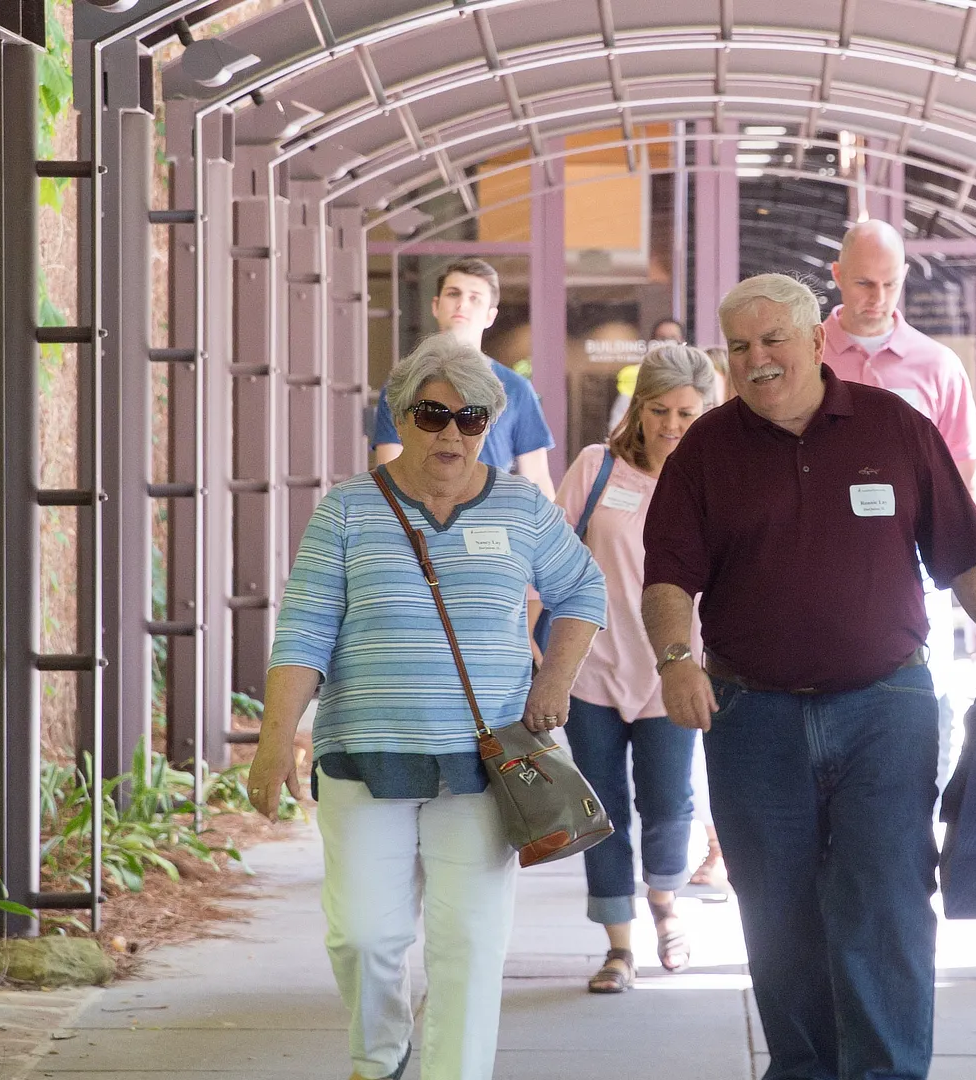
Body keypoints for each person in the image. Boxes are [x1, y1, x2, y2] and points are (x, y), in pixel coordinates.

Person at [642, 274, 976, 1080]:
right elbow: (665, 578)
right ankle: (803, 1069)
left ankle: (886, 1071)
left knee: (887, 899)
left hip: (885, 708)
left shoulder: (895, 428)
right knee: (778, 910)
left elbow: (969, 554)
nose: (757, 361)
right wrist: (675, 659)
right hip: (752, 715)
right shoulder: (706, 451)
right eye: (740, 347)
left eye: (773, 341)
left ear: (817, 342)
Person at [249, 335, 607, 1080]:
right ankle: (379, 1058)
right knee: (364, 938)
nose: (451, 433)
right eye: (432, 414)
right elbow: (305, 630)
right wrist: (274, 740)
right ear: (401, 416)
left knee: (469, 943)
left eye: (470, 418)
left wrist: (555, 682)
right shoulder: (347, 510)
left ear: (489, 425)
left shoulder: (519, 506)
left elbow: (583, 590)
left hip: (484, 762)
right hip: (365, 753)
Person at [555, 345, 719, 994]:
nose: (673, 425)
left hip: (671, 672)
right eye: (660, 410)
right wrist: (548, 651)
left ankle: (666, 905)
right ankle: (618, 945)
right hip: (593, 668)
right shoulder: (597, 468)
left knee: (669, 805)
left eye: (687, 412)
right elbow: (552, 554)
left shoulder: (717, 481)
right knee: (601, 809)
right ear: (640, 407)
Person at [821, 218, 976, 796]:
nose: (878, 299)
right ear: (838, 276)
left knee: (925, 704)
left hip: (915, 569)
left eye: (890, 285)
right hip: (819, 566)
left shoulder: (937, 364)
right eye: (865, 283)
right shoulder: (804, 356)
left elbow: (966, 479)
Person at [372, 258, 557, 500]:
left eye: (475, 298)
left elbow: (536, 476)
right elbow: (390, 466)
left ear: (490, 316)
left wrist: (547, 530)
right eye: (453, 294)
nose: (461, 304)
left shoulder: (517, 388)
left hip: (492, 523)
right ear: (436, 306)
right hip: (419, 517)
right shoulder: (404, 383)